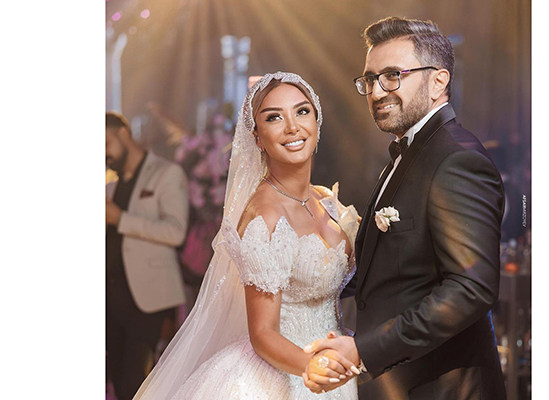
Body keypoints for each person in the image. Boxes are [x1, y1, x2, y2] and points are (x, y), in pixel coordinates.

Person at [303, 17, 507, 399]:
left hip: (442, 388)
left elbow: (471, 289)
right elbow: (396, 273)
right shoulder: (410, 152)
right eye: (370, 79)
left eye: (393, 76)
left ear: (439, 81)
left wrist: (364, 350)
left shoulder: (456, 159)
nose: (377, 91)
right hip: (399, 384)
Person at [133, 72, 360, 400]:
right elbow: (263, 332)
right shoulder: (263, 217)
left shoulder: (325, 199)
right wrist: (312, 366)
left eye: (302, 111)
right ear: (257, 137)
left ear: (317, 120)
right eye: (274, 117)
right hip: (290, 373)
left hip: (336, 363)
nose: (292, 127)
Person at [106, 111, 189, 400]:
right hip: (110, 297)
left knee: (138, 382)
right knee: (117, 380)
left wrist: (120, 218)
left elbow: (176, 232)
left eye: (105, 143)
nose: (103, 154)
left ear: (123, 133)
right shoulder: (109, 184)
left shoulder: (167, 173)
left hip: (148, 298)